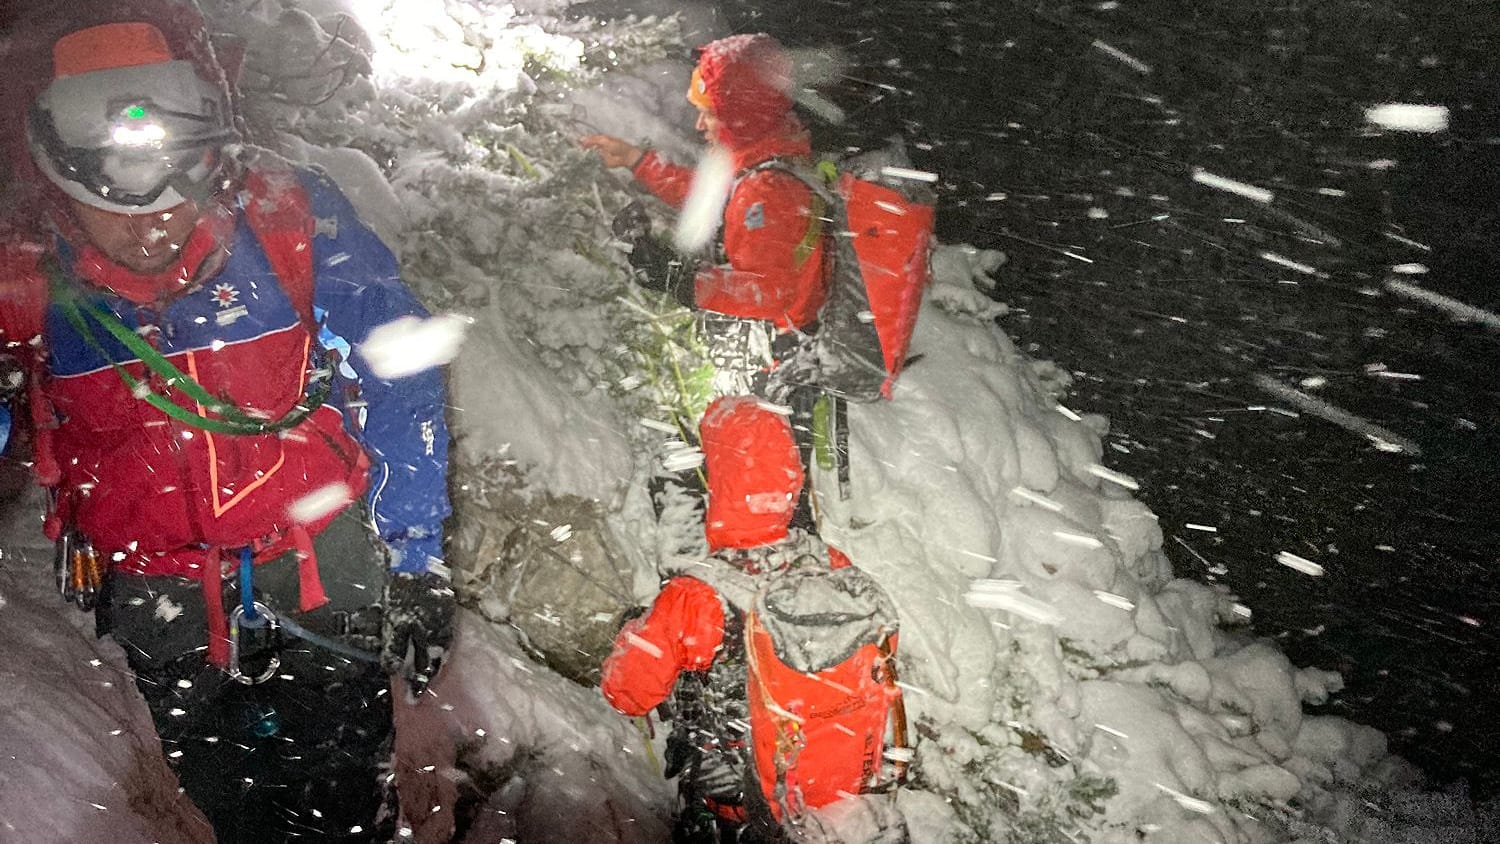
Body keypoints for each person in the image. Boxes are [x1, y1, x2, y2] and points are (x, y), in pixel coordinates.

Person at [0, 6, 453, 842]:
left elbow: (402, 364)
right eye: (117, 212)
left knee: (343, 794)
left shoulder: (287, 219)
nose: (152, 230)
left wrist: (417, 555)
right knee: (224, 802)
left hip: (321, 574)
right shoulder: (28, 280)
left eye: (173, 200)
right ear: (62, 191)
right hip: (157, 600)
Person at [601, 396, 903, 843]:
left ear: (719, 483)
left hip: (743, 805)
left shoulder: (698, 596)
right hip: (832, 792)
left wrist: (635, 631)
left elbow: (625, 693)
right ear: (791, 477)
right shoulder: (831, 562)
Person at [582, 33, 829, 394]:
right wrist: (637, 159)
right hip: (780, 352)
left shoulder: (769, 191)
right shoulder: (768, 153)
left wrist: (682, 281)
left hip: (779, 368)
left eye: (709, 114)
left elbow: (769, 294)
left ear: (740, 114)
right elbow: (717, 199)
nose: (699, 125)